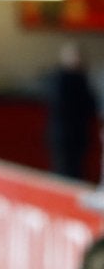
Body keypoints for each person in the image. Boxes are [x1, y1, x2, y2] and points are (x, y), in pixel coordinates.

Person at [43, 40, 99, 181]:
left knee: (77, 172)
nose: (77, 59)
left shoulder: (82, 78)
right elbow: (61, 106)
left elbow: (91, 106)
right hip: (63, 136)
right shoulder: (58, 79)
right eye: (74, 56)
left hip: (79, 136)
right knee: (63, 172)